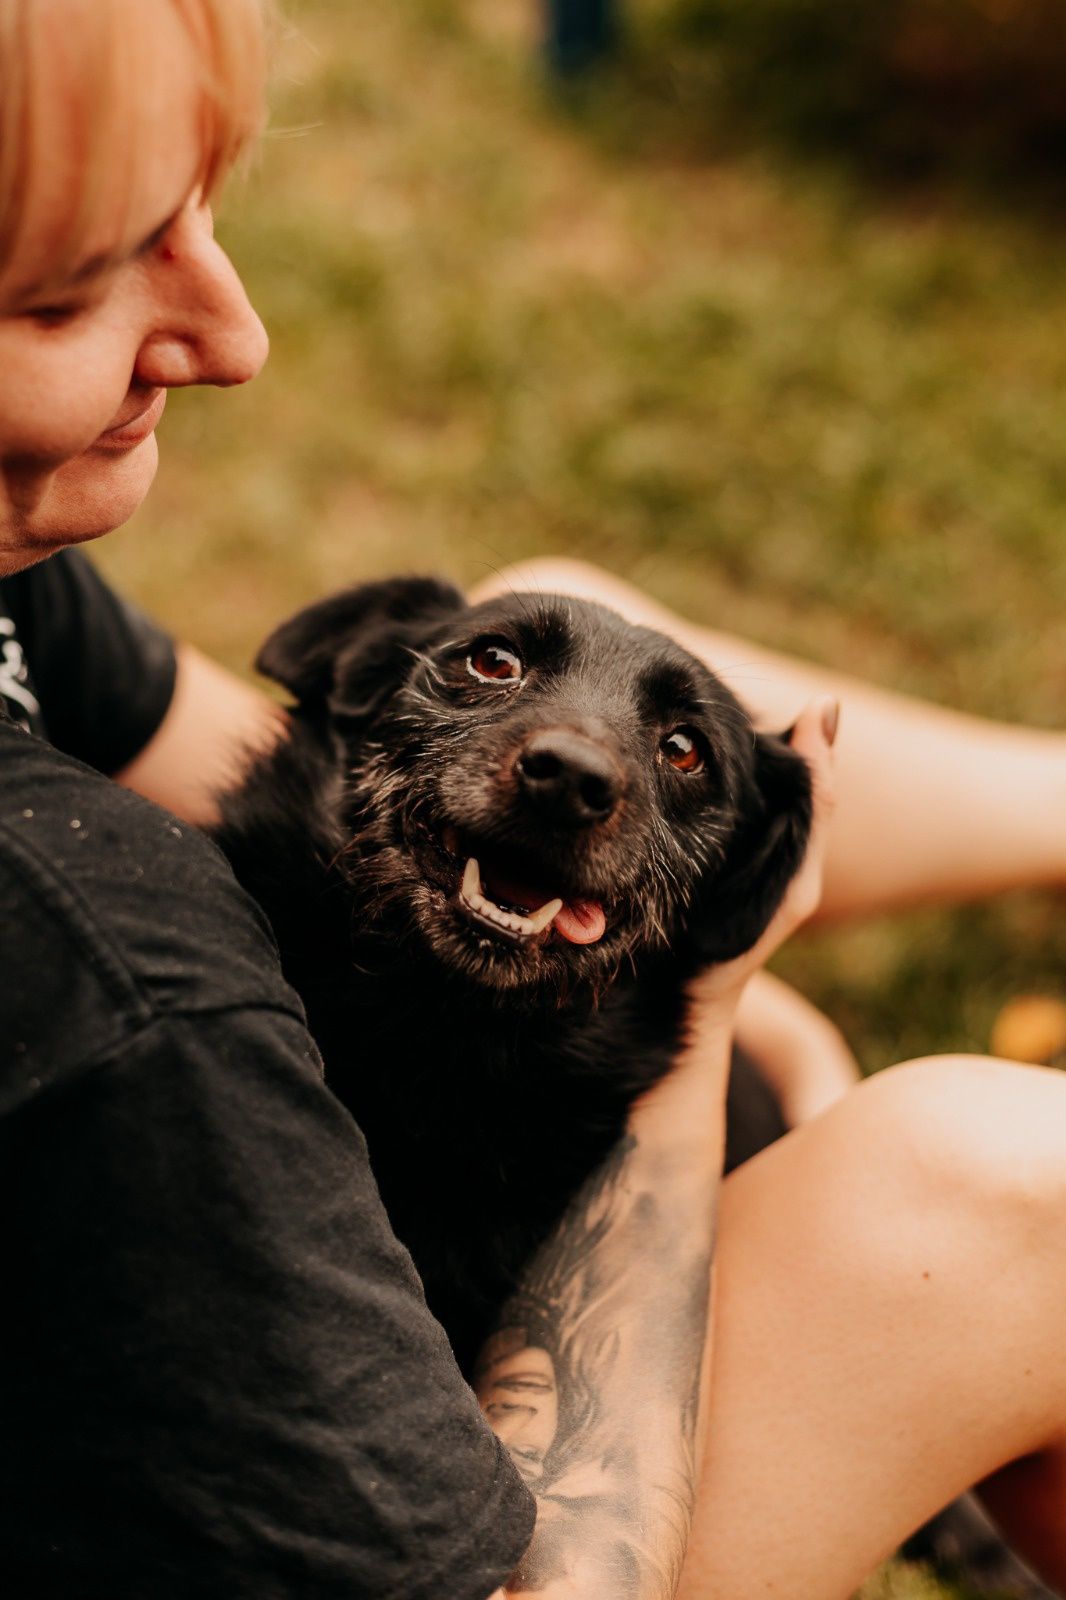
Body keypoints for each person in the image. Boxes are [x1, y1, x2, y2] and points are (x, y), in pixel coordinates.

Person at [2, 3, 1065, 1596]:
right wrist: (705, 1019)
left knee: (541, 602)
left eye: (199, 221)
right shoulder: (134, 986)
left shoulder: (18, 598)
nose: (236, 335)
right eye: (80, 283)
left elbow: (271, 731)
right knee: (998, 1188)